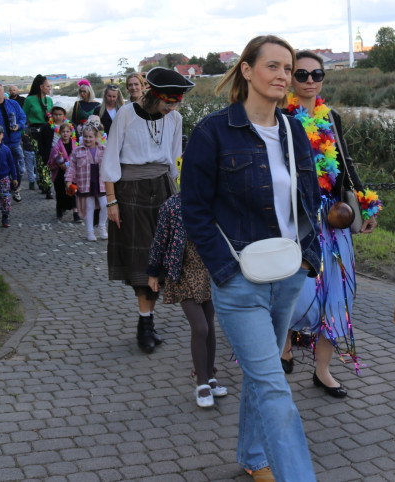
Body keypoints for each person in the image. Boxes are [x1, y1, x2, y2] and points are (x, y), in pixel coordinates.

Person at [181, 35, 321, 482]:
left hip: (288, 274)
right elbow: (194, 211)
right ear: (246, 70)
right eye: (274, 66)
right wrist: (225, 272)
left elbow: (308, 200)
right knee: (275, 387)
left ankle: (254, 454)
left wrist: (309, 258)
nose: (283, 76)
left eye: (289, 68)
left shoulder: (293, 131)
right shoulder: (212, 133)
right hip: (240, 282)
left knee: (262, 379)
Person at [279, 50, 382, 400]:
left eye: (316, 74)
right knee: (294, 292)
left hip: (333, 220)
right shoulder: (280, 117)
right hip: (296, 221)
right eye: (302, 74)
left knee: (337, 296)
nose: (310, 80)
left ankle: (323, 370)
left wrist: (365, 206)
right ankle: (284, 344)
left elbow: (346, 165)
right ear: (291, 77)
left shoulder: (331, 117)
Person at [100, 66, 193, 354]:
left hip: (164, 192)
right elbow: (110, 158)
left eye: (176, 103)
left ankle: (147, 321)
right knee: (142, 263)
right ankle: (145, 323)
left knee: (163, 261)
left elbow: (175, 161)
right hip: (130, 193)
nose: (172, 108)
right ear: (155, 95)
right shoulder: (126, 114)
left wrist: (180, 198)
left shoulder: (175, 119)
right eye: (169, 102)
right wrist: (111, 201)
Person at [147, 193, 226, 409]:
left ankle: (209, 376)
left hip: (208, 272)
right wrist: (153, 272)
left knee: (209, 325)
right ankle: (201, 383)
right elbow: (160, 240)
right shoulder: (171, 206)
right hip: (182, 273)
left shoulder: (214, 200)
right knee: (200, 328)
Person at [66, 120, 107, 241]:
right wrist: (68, 181)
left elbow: (111, 165)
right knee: (89, 207)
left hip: (101, 182)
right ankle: (89, 231)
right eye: (85, 137)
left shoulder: (104, 149)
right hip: (85, 182)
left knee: (105, 205)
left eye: (90, 137)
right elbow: (71, 167)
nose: (88, 139)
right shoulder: (77, 151)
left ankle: (102, 226)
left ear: (96, 137)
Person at [23, 75, 54, 199]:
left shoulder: (49, 100)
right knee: (41, 159)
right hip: (34, 132)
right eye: (47, 86)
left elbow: (53, 116)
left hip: (48, 131)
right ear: (41, 87)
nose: (49, 88)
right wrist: (22, 133)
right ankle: (47, 186)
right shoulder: (29, 100)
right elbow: (22, 116)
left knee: (47, 158)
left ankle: (42, 182)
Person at [49, 121, 79, 222]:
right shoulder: (57, 146)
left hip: (72, 173)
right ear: (59, 133)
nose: (65, 133)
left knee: (73, 191)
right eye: (63, 131)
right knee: (60, 192)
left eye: (67, 131)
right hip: (60, 173)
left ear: (71, 132)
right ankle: (59, 208)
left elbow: (78, 157)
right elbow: (52, 159)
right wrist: (59, 159)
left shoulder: (75, 144)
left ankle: (76, 213)